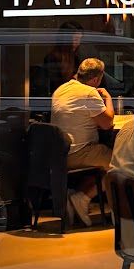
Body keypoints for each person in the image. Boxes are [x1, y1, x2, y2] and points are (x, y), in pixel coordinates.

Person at [51, 56, 114, 226]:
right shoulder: (89, 93)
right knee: (120, 163)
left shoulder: (61, 89)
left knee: (103, 161)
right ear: (96, 79)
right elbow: (107, 123)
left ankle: (77, 196)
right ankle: (84, 197)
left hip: (59, 154)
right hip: (78, 152)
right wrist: (108, 97)